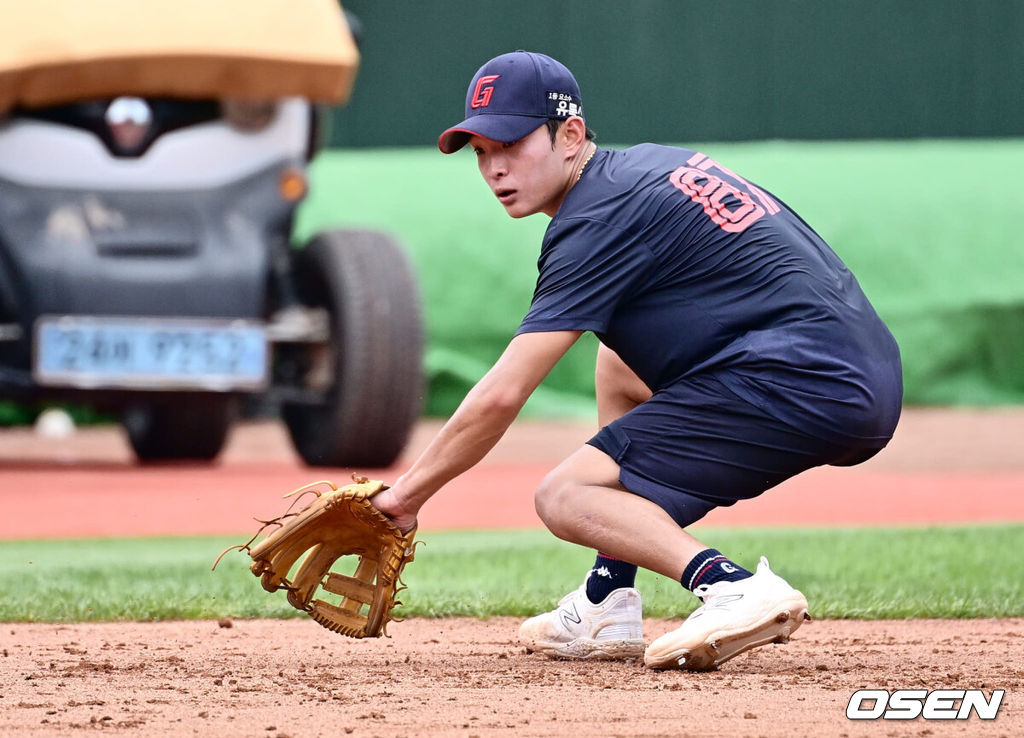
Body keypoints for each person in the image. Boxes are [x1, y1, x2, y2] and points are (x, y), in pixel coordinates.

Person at [372, 50, 902, 670]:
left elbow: (503, 394)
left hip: (805, 379)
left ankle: (727, 585)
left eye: (511, 144)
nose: (494, 167)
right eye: (481, 151)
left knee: (564, 495)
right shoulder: (643, 170)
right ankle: (608, 598)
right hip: (844, 367)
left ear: (570, 135)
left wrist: (406, 497)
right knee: (617, 365)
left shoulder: (596, 219)